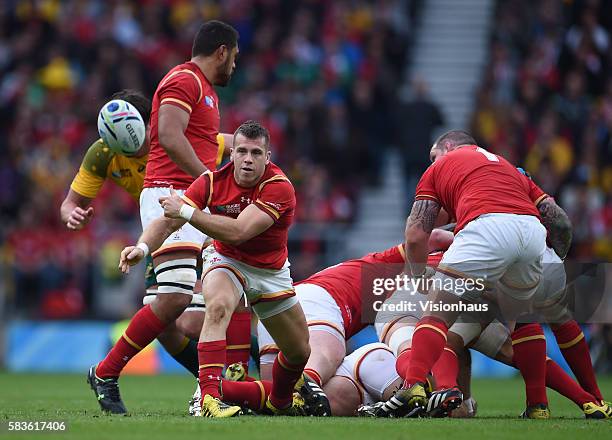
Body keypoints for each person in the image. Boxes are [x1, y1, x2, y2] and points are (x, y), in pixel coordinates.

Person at [87, 20, 244, 415]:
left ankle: (216, 386)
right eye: (235, 58)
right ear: (222, 51)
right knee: (176, 299)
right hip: (169, 196)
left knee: (201, 307)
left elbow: (202, 143)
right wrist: (210, 181)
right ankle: (106, 372)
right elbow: (170, 138)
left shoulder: (205, 90)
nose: (235, 67)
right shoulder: (183, 80)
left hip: (190, 199)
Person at [119, 121, 325, 418]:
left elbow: (240, 231)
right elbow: (168, 221)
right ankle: (209, 398)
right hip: (225, 260)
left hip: (269, 272)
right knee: (216, 308)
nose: (247, 159)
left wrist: (188, 211)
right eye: (241, 151)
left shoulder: (279, 187)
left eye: (256, 152)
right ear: (232, 153)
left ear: (268, 157)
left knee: (298, 352)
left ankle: (279, 400)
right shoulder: (212, 181)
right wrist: (142, 247)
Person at [388, 130, 561, 419]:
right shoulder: (508, 168)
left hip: (488, 231)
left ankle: (414, 384)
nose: (432, 163)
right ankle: (541, 405)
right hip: (533, 235)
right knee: (525, 321)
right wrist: (559, 256)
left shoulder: (442, 167)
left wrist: (419, 279)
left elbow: (416, 235)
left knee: (436, 314)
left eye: (434, 156)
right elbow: (556, 215)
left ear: (450, 147)